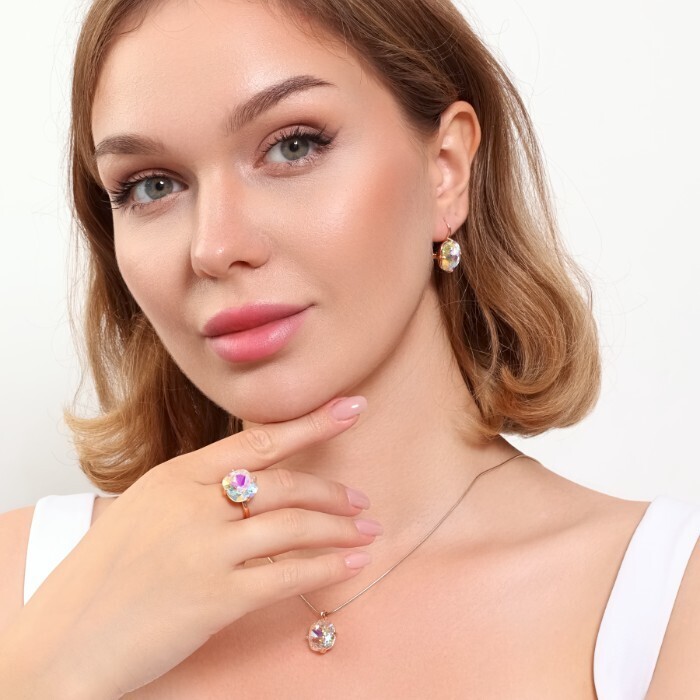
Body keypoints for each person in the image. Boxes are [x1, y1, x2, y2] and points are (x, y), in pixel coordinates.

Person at [0, 0, 698, 697]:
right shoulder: (30, 582)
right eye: (151, 186)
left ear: (445, 169)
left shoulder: (663, 604)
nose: (214, 247)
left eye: (293, 146)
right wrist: (46, 671)